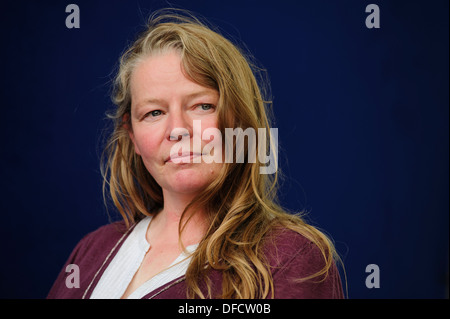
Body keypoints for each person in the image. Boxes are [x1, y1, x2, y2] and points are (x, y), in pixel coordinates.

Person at [47, 9, 344, 299]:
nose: (178, 129)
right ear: (132, 136)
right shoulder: (91, 250)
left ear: (239, 120)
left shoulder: (291, 258)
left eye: (202, 106)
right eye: (154, 112)